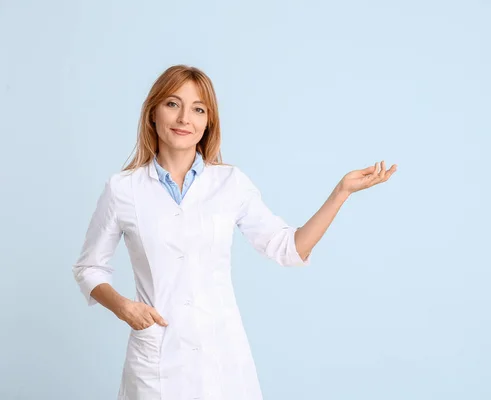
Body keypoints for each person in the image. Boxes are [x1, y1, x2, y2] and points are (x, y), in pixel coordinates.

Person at [72, 64, 397, 400]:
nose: (185, 118)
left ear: (207, 122)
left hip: (222, 358)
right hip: (157, 361)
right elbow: (88, 268)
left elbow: (288, 248)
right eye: (172, 104)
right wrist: (124, 307)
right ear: (152, 113)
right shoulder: (123, 189)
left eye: (198, 109)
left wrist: (340, 193)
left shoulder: (230, 183)